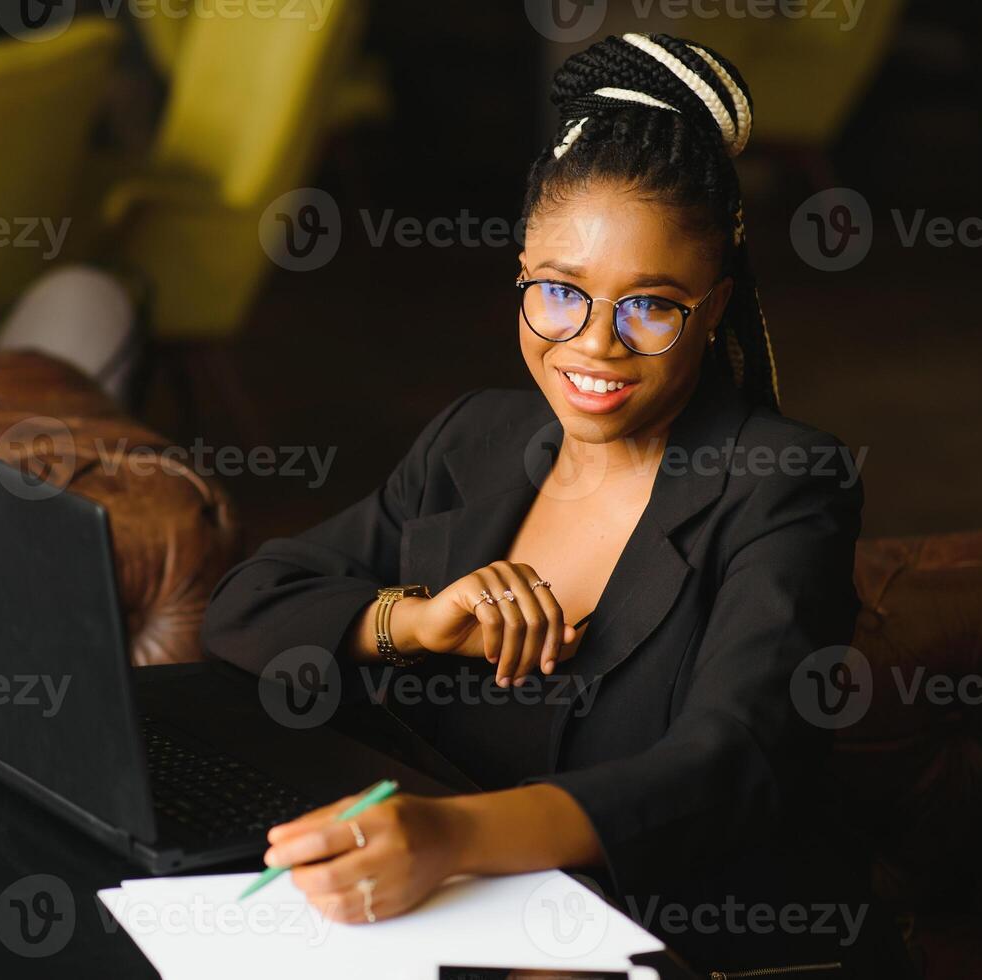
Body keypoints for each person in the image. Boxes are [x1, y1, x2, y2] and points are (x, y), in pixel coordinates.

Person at [204, 33, 911, 977]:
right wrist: (417, 623)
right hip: (461, 922)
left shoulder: (785, 484)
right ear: (523, 281)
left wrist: (449, 838)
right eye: (561, 293)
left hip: (705, 937)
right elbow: (249, 604)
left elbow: (734, 763)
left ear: (716, 309)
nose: (595, 346)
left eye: (650, 305)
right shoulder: (475, 440)